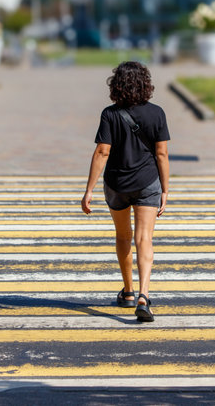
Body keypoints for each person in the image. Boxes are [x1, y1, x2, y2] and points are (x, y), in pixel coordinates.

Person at [81, 61, 170, 322]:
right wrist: (165, 189)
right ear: (146, 84)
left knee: (123, 236)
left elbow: (102, 151)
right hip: (147, 183)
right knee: (144, 239)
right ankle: (144, 296)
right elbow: (162, 154)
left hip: (117, 184)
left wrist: (88, 190)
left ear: (116, 85)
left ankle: (128, 291)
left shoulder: (109, 114)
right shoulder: (157, 113)